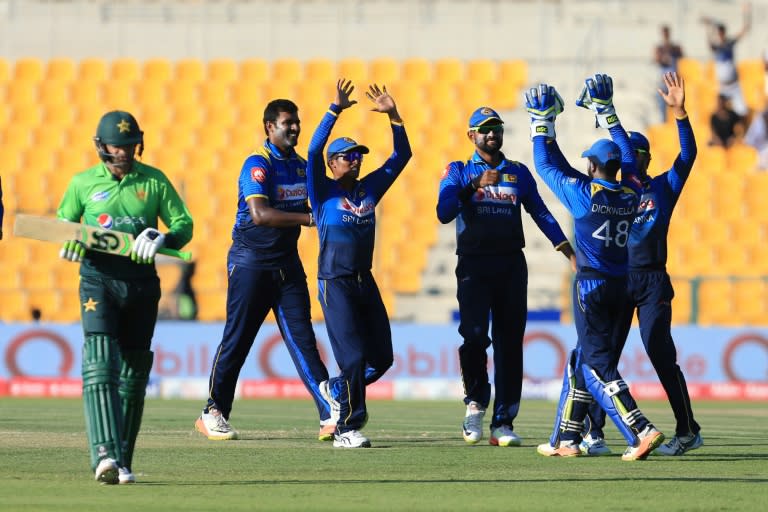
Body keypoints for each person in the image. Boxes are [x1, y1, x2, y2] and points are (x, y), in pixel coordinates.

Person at [525, 74, 665, 460]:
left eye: (587, 160)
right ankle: (565, 440)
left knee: (596, 366)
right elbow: (625, 155)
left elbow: (544, 162)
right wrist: (607, 111)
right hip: (623, 287)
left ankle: (640, 430)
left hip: (591, 286)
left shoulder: (583, 197)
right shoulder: (632, 190)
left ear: (593, 165)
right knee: (582, 359)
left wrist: (542, 122)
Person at [57, 110, 194, 484]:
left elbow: (184, 225)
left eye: (131, 145)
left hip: (141, 284)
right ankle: (104, 456)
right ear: (101, 146)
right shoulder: (83, 183)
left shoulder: (153, 181)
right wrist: (68, 240)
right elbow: (63, 223)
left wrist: (162, 237)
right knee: (100, 361)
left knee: (134, 374)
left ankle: (123, 461)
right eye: (118, 146)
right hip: (98, 280)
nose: (125, 153)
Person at [195, 99, 338, 443]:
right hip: (250, 264)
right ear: (269, 127)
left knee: (303, 340)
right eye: (287, 122)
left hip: (287, 266)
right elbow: (260, 214)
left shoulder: (302, 167)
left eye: (297, 122)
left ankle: (329, 414)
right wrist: (308, 219)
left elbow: (316, 205)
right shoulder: (257, 164)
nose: (294, 128)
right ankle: (213, 411)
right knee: (239, 338)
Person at [578, 72, 703, 457]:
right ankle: (593, 432)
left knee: (657, 348)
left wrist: (680, 115)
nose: (632, 160)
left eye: (638, 154)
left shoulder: (662, 187)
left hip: (650, 281)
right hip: (617, 278)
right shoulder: (613, 192)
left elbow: (688, 157)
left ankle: (688, 430)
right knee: (605, 355)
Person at [436, 106, 575, 447]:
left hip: (511, 265)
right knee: (473, 338)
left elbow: (540, 212)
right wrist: (473, 185)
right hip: (473, 264)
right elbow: (443, 211)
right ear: (472, 136)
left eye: (496, 127)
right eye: (484, 129)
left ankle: (503, 422)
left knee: (510, 345)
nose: (492, 134)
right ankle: (475, 403)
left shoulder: (518, 172)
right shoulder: (458, 170)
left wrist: (568, 251)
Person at [306, 80, 411, 448]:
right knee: (351, 357)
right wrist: (334, 110)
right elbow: (313, 149)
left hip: (364, 281)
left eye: (359, 155)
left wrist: (394, 117)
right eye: (348, 155)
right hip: (334, 281)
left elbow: (401, 158)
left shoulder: (369, 189)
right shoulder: (322, 191)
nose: (356, 159)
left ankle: (335, 390)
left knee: (381, 359)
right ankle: (346, 428)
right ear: (332, 164)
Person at [701, 2, 751, 116]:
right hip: (722, 86)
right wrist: (708, 27)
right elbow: (710, 43)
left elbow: (745, 29)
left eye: (722, 32)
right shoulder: (717, 46)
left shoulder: (729, 42)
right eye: (719, 32)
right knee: (718, 112)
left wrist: (746, 13)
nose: (721, 34)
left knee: (743, 111)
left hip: (734, 85)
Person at [654, 25, 684, 123]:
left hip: (674, 81)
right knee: (663, 103)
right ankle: (665, 122)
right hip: (664, 82)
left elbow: (681, 55)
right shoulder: (659, 48)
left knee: (677, 103)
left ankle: (676, 120)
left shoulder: (674, 47)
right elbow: (657, 58)